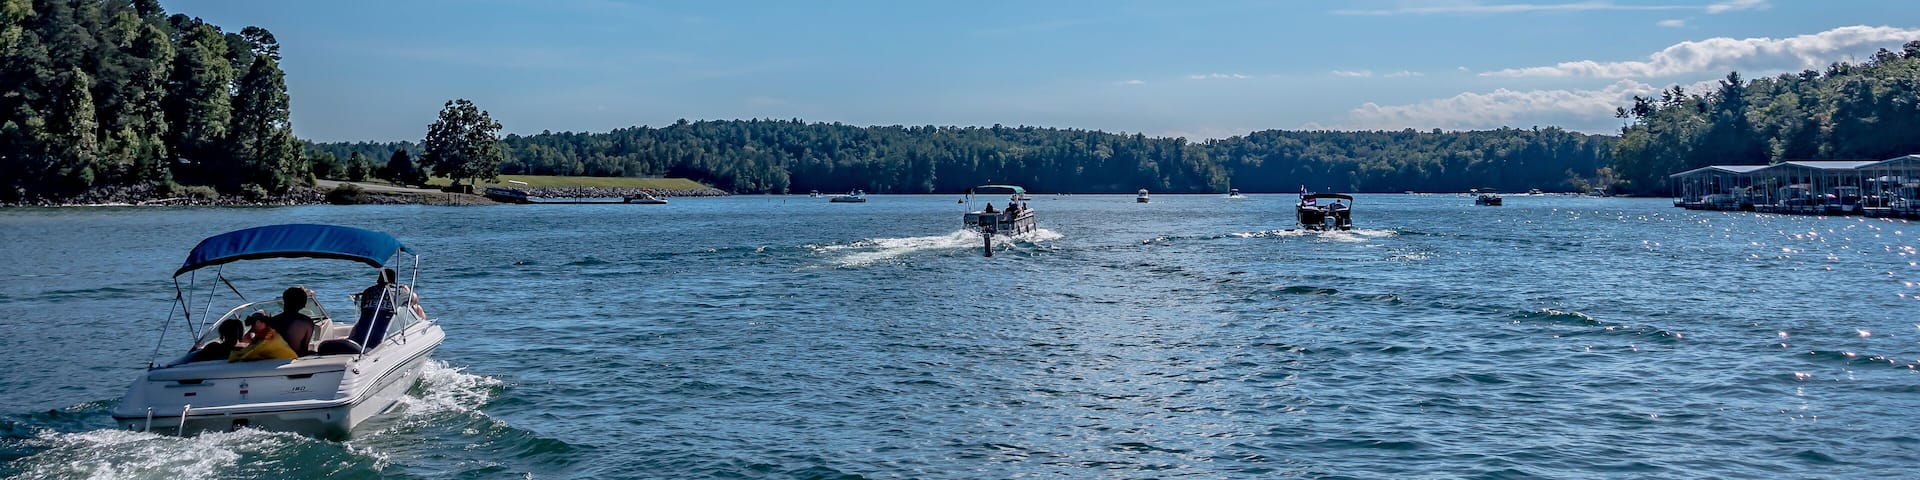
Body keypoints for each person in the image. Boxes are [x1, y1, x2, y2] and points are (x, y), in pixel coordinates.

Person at [265, 286, 316, 357]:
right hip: (294, 357)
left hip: (273, 358)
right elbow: (304, 350)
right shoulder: (307, 322)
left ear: (284, 301)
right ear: (303, 305)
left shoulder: (271, 321)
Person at [230, 313, 296, 361]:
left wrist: (235, 354)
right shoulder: (269, 333)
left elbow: (252, 353)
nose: (251, 328)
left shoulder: (267, 335)